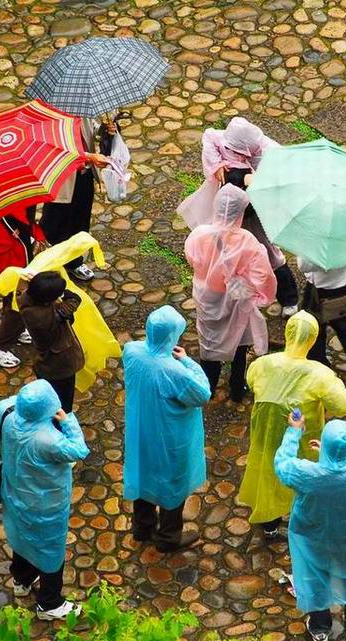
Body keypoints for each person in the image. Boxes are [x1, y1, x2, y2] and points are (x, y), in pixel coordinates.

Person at [238, 311, 346, 538]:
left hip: (265, 433)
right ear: (312, 339)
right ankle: (303, 523)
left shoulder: (261, 364)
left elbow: (252, 383)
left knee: (270, 474)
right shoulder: (320, 374)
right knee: (304, 479)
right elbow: (343, 406)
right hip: (304, 439)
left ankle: (270, 525)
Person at [177, 116, 299, 315]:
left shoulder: (268, 153)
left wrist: (250, 179)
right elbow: (208, 136)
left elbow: (274, 181)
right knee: (227, 258)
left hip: (252, 211)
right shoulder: (223, 139)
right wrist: (216, 165)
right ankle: (240, 303)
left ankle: (289, 299)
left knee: (268, 253)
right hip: (226, 210)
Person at [275, 413, 346, 641]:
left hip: (313, 537)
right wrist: (331, 455)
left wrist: (294, 431)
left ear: (325, 444)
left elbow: (282, 464)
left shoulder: (305, 475)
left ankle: (320, 628)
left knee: (313, 576)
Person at [0, 379, 88, 621]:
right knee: (51, 550)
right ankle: (50, 603)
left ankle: (22, 579)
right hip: (45, 505)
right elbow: (79, 450)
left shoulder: (5, 413)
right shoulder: (47, 439)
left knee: (21, 536)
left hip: (15, 492)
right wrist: (68, 422)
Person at [122, 306, 211, 552]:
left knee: (143, 473)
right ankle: (169, 537)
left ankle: (142, 527)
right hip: (171, 437)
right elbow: (202, 394)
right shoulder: (175, 372)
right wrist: (188, 362)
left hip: (141, 431)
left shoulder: (131, 351)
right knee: (173, 482)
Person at [184, 184, 277, 401]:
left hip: (207, 295)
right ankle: (237, 386)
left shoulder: (198, 235)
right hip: (237, 297)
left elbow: (193, 259)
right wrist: (257, 293)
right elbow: (263, 276)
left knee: (209, 341)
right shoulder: (247, 241)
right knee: (240, 341)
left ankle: (207, 386)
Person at [40, 119, 112, 282]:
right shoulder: (51, 118)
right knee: (54, 224)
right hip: (61, 182)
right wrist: (90, 157)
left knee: (80, 220)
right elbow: (59, 149)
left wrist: (105, 130)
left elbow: (91, 132)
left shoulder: (80, 111)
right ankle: (48, 264)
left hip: (83, 176)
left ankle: (74, 262)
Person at [298, 255, 346, 392]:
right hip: (344, 289)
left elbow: (304, 266)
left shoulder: (316, 243)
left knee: (315, 334)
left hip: (317, 294)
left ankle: (320, 372)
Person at [0, 206, 41, 368]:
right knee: (18, 307)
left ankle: (16, 331)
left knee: (15, 304)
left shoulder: (15, 212)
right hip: (14, 269)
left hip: (19, 266)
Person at [18, 271, 85, 413]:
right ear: (48, 299)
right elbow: (75, 299)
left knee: (49, 395)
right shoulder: (49, 316)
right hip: (58, 367)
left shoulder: (24, 298)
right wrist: (63, 293)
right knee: (63, 405)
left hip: (42, 363)